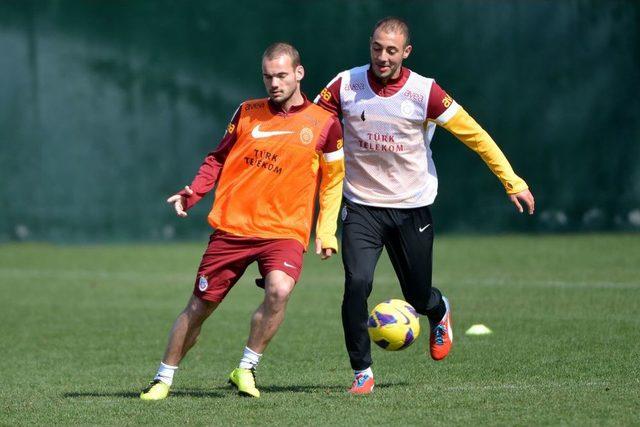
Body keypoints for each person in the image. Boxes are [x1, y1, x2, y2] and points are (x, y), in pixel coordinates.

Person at [315, 17, 535, 394]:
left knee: (418, 294)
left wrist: (511, 180)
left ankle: (438, 309)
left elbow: (476, 136)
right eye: (377, 48)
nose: (382, 57)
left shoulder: (425, 92)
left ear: (406, 52)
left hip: (411, 207)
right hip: (361, 206)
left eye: (391, 51)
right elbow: (311, 127)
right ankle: (362, 372)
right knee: (357, 284)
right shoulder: (345, 84)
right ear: (370, 44)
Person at [140, 42, 345, 400]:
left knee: (279, 290)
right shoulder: (247, 112)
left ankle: (246, 368)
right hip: (233, 228)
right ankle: (163, 378)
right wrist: (194, 192)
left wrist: (325, 232)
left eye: (281, 75)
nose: (274, 83)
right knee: (199, 307)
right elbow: (217, 158)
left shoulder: (325, 124)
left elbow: (333, 182)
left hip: (284, 230)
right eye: (268, 76)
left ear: (299, 73)